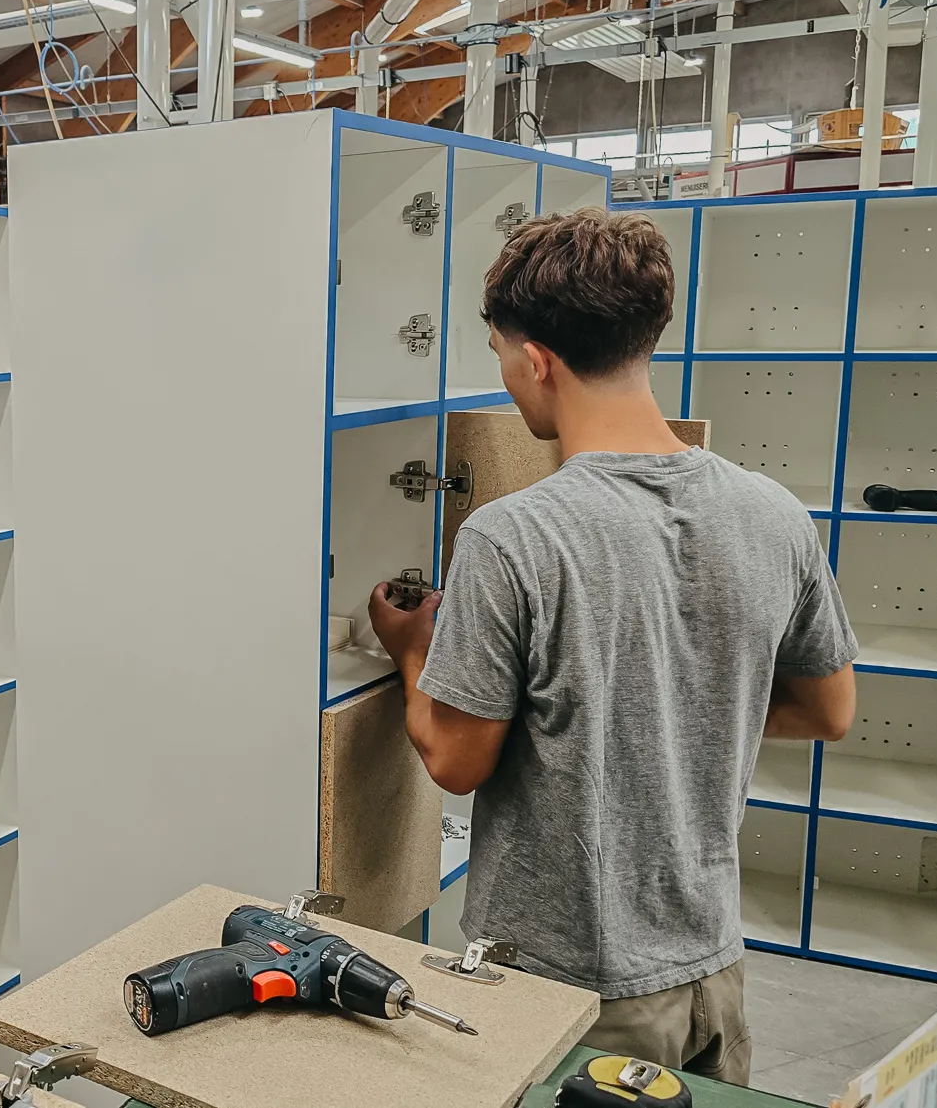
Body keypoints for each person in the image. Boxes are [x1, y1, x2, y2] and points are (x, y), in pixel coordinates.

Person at [366, 208, 858, 1084]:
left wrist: (413, 649)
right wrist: (680, 702)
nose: (509, 382)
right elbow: (831, 709)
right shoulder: (772, 512)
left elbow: (454, 756)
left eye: (502, 359)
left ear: (539, 360)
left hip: (572, 996)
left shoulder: (514, 537)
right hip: (712, 972)